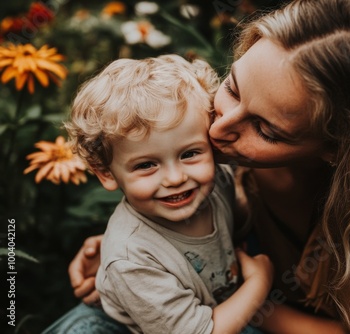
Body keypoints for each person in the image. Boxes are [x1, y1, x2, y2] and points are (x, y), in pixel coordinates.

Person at [45, 0, 350, 333]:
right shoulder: (218, 141)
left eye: (268, 131)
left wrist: (255, 297)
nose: (218, 132)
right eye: (234, 89)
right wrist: (145, 250)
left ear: (340, 148)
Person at [57, 54, 273, 334]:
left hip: (209, 310)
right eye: (146, 165)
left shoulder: (219, 180)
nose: (175, 178)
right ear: (106, 173)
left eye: (189, 154)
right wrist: (259, 282)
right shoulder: (131, 259)